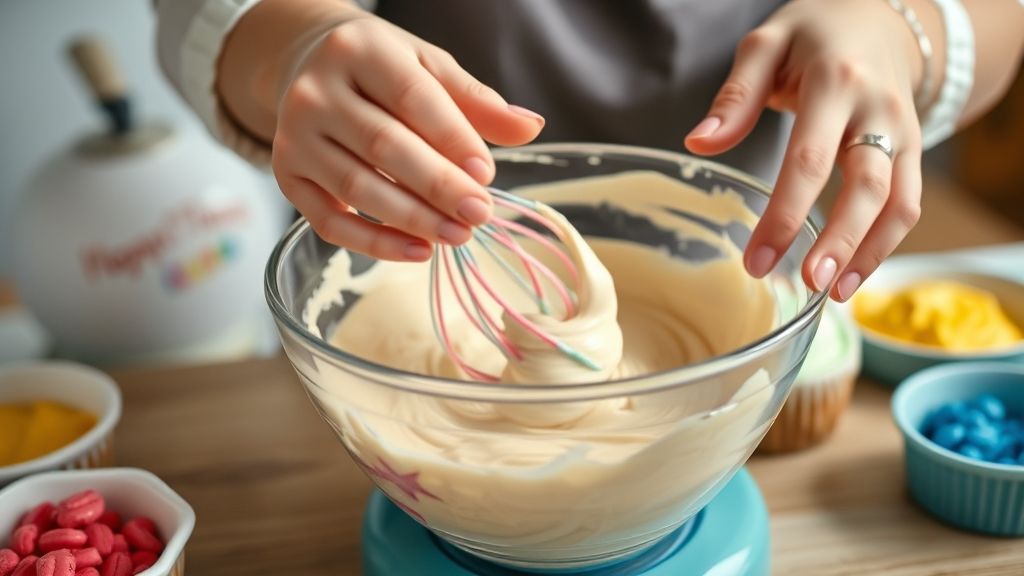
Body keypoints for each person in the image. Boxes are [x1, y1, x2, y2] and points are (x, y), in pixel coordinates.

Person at [156, 0, 1024, 302]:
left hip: (745, 281)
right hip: (407, 266)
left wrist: (898, 33)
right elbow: (197, 18)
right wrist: (294, 44)